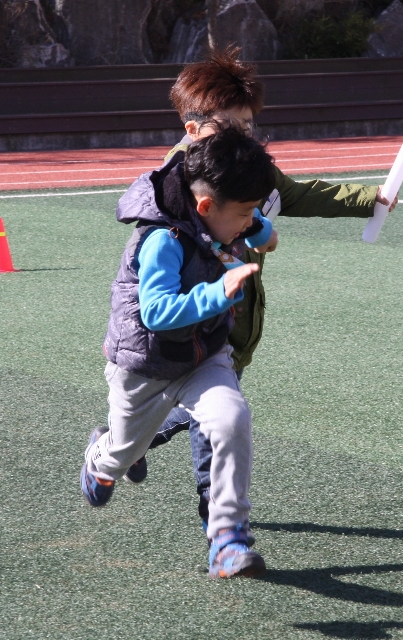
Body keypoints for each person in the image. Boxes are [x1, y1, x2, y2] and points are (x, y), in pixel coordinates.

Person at [129, 46, 400, 533]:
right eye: (228, 127)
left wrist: (367, 199)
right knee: (213, 415)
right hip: (193, 322)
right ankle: (218, 515)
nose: (241, 138)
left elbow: (292, 195)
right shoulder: (176, 184)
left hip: (237, 315)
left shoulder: (249, 167)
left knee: (200, 410)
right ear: (193, 129)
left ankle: (128, 441)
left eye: (248, 128)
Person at [81, 127, 278, 579]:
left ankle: (227, 537)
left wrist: (261, 228)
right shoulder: (162, 241)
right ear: (206, 206)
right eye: (245, 212)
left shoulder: (220, 217)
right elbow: (157, 313)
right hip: (145, 366)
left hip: (203, 356)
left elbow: (251, 229)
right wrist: (218, 293)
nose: (248, 222)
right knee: (124, 452)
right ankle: (101, 458)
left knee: (230, 419)